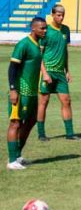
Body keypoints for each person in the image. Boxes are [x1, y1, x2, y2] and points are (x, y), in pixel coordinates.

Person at [7, 17, 51, 170]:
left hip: (32, 92)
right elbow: (12, 68)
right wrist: (13, 89)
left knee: (32, 121)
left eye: (46, 28)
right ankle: (12, 161)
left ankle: (18, 155)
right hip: (21, 91)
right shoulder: (24, 44)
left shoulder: (38, 45)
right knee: (16, 123)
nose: (45, 31)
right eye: (42, 28)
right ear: (33, 29)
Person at [37, 4, 81, 141]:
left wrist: (67, 70)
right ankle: (41, 134)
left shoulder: (66, 30)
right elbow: (39, 54)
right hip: (48, 71)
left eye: (63, 15)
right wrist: (44, 73)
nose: (61, 17)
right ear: (52, 14)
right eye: (58, 15)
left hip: (60, 73)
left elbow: (64, 51)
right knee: (44, 101)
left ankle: (69, 134)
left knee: (66, 101)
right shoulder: (46, 31)